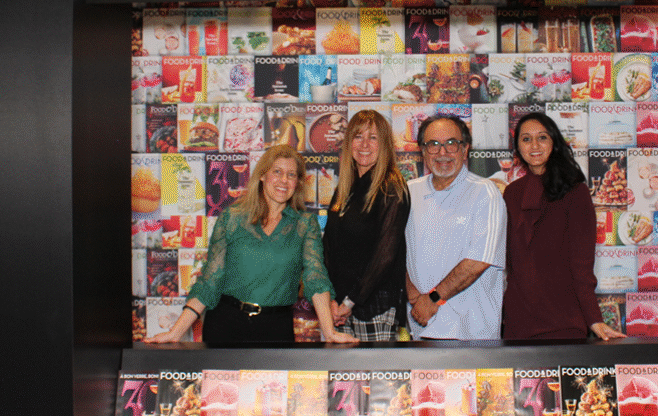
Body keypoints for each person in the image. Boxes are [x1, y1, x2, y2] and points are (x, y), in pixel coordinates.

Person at [147, 144, 357, 344]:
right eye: (277, 171)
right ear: (263, 176)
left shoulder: (305, 224)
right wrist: (175, 333)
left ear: (298, 182)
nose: (284, 180)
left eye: (291, 174)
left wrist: (330, 332)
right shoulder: (232, 218)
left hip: (276, 329)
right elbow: (210, 282)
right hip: (225, 326)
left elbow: (315, 277)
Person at [501, 112, 619, 340]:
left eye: (542, 137)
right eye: (526, 139)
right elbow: (510, 263)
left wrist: (594, 319)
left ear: (554, 142)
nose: (534, 145)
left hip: (563, 321)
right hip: (518, 322)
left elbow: (582, 265)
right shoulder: (512, 193)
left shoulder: (575, 191)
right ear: (517, 148)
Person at [405, 114, 507, 340]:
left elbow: (478, 261)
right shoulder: (409, 192)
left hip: (472, 332)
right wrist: (413, 295)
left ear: (465, 149)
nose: (443, 153)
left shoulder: (485, 192)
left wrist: (432, 299)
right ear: (422, 150)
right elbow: (392, 250)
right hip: (421, 328)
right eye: (433, 144)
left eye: (451, 143)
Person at [323, 110, 411, 341]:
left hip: (375, 306)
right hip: (340, 307)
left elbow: (385, 255)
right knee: (342, 376)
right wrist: (332, 299)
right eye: (358, 136)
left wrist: (351, 300)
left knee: (375, 376)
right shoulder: (345, 187)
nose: (364, 144)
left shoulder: (392, 187)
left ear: (384, 144)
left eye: (373, 138)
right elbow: (329, 246)